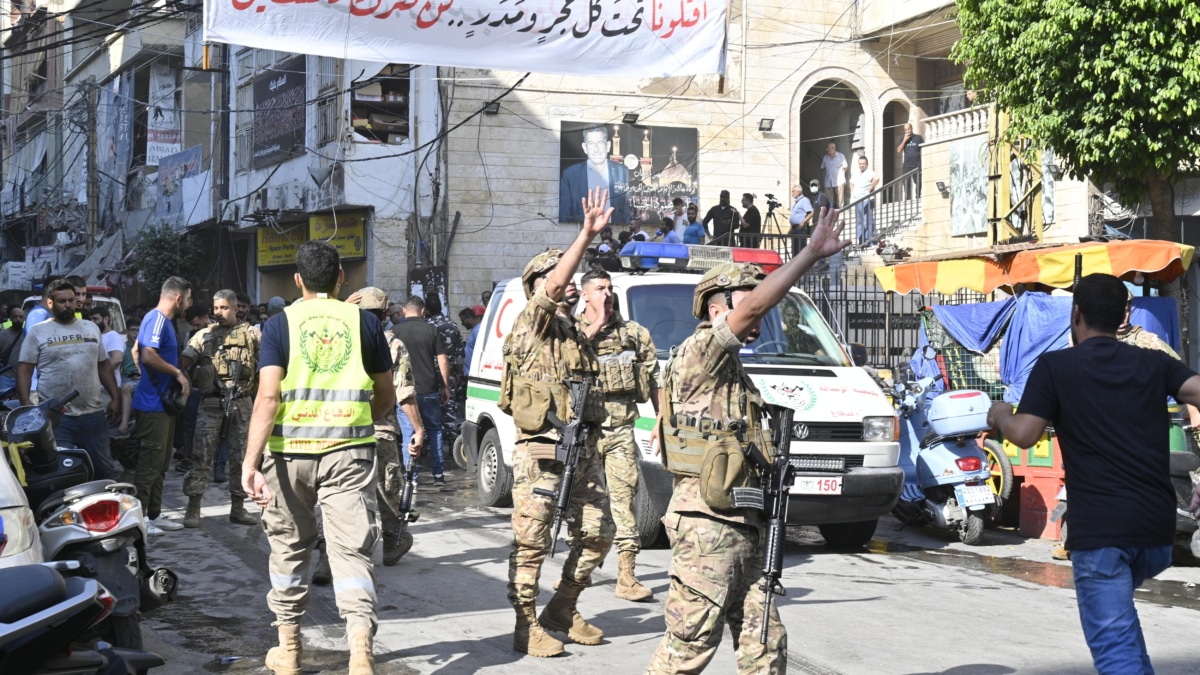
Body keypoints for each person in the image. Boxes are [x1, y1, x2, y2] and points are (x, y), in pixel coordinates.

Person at [645, 203, 847, 674]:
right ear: (718, 309)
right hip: (707, 528)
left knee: (765, 644)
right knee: (688, 648)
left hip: (746, 524)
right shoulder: (701, 352)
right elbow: (757, 305)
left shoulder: (733, 375)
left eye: (760, 294)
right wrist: (810, 253)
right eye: (747, 297)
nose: (760, 305)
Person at [987, 273, 1200, 675]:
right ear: (1125, 314)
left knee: (1114, 650)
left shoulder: (1055, 366)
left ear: (1076, 313)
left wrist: (1000, 414)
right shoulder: (1155, 362)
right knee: (1122, 632)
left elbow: (1026, 433)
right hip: (1156, 534)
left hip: (1102, 533)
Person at [242, 241, 396, 675]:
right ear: (341, 277)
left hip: (288, 455)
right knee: (351, 553)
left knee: (289, 549)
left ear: (297, 281)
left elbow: (268, 396)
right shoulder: (364, 322)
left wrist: (249, 464)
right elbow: (385, 397)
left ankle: (289, 650)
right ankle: (361, 655)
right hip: (348, 451)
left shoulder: (279, 324)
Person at [503, 188, 614, 657]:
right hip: (541, 452)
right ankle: (526, 623)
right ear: (538, 286)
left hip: (582, 452)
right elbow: (550, 292)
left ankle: (562, 607)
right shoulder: (533, 322)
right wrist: (585, 235)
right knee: (532, 541)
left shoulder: (570, 333)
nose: (567, 282)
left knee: (598, 534)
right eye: (557, 275)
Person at [575, 268, 660, 602]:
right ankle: (578, 572)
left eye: (609, 287)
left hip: (622, 430)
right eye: (599, 288)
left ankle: (627, 576)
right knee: (581, 505)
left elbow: (654, 378)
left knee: (624, 501)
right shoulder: (572, 331)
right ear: (585, 294)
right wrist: (594, 329)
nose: (606, 293)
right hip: (585, 433)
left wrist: (660, 420)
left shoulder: (634, 333)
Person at [350, 287, 424, 566]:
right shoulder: (392, 344)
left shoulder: (340, 342)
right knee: (388, 486)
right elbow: (404, 392)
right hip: (380, 428)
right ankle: (393, 540)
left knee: (346, 491)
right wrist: (417, 429)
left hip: (345, 429)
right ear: (384, 314)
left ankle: (333, 551)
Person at [17, 279, 121, 480]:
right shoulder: (39, 332)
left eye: (72, 300)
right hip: (57, 417)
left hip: (93, 414)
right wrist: (27, 405)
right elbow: (24, 370)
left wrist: (115, 397)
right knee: (66, 472)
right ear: (50, 303)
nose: (68, 305)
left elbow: (103, 365)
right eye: (62, 301)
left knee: (103, 470)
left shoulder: (90, 328)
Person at [177, 290, 260, 528]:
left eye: (224, 308)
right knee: (201, 455)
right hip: (212, 402)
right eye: (215, 309)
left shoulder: (253, 335)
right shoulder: (203, 336)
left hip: (242, 402)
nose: (219, 313)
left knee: (240, 457)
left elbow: (265, 367)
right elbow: (183, 364)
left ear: (236, 308)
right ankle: (193, 509)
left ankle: (238, 507)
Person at [131, 276, 193, 536]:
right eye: (188, 299)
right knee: (149, 465)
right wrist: (176, 374)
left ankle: (154, 514)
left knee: (160, 462)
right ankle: (140, 518)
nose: (189, 305)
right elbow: (146, 354)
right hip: (153, 406)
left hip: (160, 405)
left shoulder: (160, 321)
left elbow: (136, 351)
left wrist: (148, 378)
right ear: (178, 298)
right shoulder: (158, 319)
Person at [392, 295, 450, 485]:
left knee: (409, 432)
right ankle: (438, 475)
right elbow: (442, 360)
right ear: (423, 311)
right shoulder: (432, 330)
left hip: (404, 392)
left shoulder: (395, 331)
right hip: (429, 389)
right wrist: (446, 386)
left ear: (404, 311)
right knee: (434, 431)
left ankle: (411, 478)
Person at [559, 126, 631, 225]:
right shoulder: (570, 175)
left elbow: (626, 209)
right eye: (591, 144)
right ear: (585, 148)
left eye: (600, 143)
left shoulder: (622, 171)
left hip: (613, 232)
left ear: (608, 146)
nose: (596, 149)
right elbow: (564, 214)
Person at [425, 293, 465, 456]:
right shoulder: (453, 326)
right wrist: (458, 373)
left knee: (428, 410)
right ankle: (453, 445)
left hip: (428, 375)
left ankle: (428, 446)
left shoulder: (426, 327)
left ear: (425, 309)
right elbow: (459, 355)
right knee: (449, 411)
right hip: (449, 375)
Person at [851, 155, 880, 245]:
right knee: (860, 221)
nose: (862, 165)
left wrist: (870, 188)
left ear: (866, 164)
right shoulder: (857, 173)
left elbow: (877, 178)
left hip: (867, 200)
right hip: (858, 200)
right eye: (860, 164)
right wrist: (854, 192)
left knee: (868, 221)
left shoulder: (869, 172)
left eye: (863, 163)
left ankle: (869, 240)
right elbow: (851, 183)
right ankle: (861, 241)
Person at [897, 122, 924, 199]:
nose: (907, 131)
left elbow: (924, 148)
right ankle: (908, 199)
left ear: (911, 129)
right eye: (906, 130)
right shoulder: (903, 138)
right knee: (906, 183)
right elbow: (898, 150)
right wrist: (904, 140)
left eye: (909, 129)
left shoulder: (918, 138)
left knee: (919, 182)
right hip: (907, 165)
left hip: (917, 164)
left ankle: (918, 196)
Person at [0, 307, 25, 391]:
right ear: (10, 318)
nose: (18, 319)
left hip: (23, 377)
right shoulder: (2, 335)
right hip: (5, 376)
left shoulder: (27, 334)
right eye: (15, 316)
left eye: (21, 317)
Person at [788, 183, 814, 258]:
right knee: (795, 250)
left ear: (799, 192)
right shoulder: (795, 203)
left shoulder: (804, 200)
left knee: (800, 250)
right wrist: (791, 227)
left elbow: (811, 212)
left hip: (800, 228)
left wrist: (803, 222)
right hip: (794, 228)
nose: (792, 193)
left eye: (793, 191)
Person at [820, 142, 849, 208]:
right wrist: (823, 178)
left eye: (828, 148)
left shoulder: (841, 156)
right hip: (828, 180)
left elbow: (845, 167)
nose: (827, 149)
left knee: (840, 196)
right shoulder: (825, 157)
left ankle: (841, 209)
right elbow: (822, 168)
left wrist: (841, 175)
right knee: (829, 197)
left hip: (839, 180)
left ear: (833, 148)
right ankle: (830, 209)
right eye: (827, 148)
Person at [462, 305, 485, 376]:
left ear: (469, 319)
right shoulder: (474, 330)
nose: (462, 324)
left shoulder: (478, 330)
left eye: (463, 320)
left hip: (474, 373)